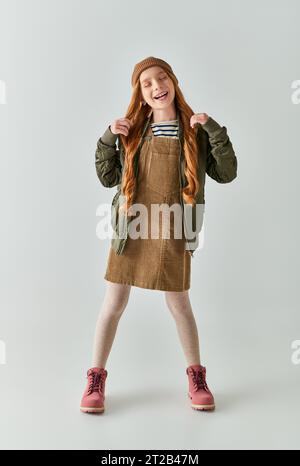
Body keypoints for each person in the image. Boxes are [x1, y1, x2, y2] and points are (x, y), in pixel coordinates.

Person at [80, 56, 238, 414]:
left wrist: (213, 129)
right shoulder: (133, 129)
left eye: (161, 78)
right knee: (113, 304)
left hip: (174, 229)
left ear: (173, 81)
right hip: (131, 227)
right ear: (140, 92)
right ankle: (95, 379)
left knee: (179, 304)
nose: (155, 87)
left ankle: (196, 377)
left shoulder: (194, 130)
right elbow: (107, 178)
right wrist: (108, 139)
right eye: (146, 83)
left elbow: (227, 172)